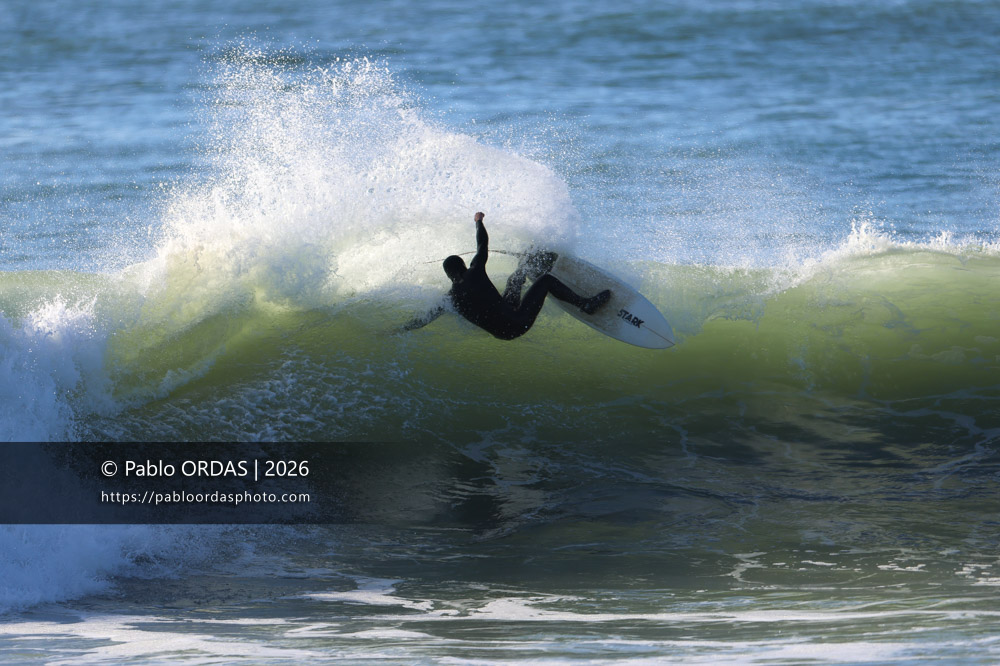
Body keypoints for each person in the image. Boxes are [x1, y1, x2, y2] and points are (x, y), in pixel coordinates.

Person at [403, 212, 611, 340]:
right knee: (546, 281)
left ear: (449, 276)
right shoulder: (474, 272)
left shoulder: (449, 298)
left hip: (504, 333)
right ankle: (585, 304)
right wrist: (478, 221)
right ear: (463, 266)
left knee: (515, 279)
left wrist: (397, 330)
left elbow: (423, 320)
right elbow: (482, 244)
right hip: (519, 321)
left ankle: (528, 265)